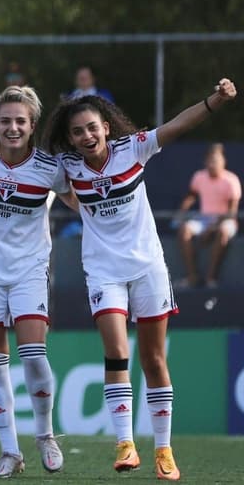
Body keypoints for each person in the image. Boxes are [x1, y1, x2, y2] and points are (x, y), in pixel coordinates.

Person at [42, 78, 237, 481]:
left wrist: (214, 101)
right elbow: (36, 171)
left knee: (153, 359)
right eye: (77, 131)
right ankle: (125, 444)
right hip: (102, 271)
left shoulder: (133, 148)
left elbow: (178, 124)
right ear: (70, 138)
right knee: (116, 353)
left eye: (92, 127)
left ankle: (164, 450)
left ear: (106, 127)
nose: (86, 135)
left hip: (148, 266)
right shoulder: (67, 167)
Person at [0, 85, 77, 477]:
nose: (12, 128)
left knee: (33, 355)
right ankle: (10, 451)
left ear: (32, 126)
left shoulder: (50, 168)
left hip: (28, 271)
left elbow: (81, 200)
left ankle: (45, 434)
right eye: (5, 121)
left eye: (20, 121)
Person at [176, 143, 241, 288]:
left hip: (225, 221)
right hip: (204, 219)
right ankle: (192, 276)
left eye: (216, 161)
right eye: (210, 161)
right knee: (184, 230)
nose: (213, 164)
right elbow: (192, 196)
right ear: (205, 162)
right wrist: (182, 210)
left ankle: (210, 278)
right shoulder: (199, 177)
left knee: (224, 230)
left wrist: (212, 227)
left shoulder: (231, 180)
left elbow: (232, 213)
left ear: (223, 162)